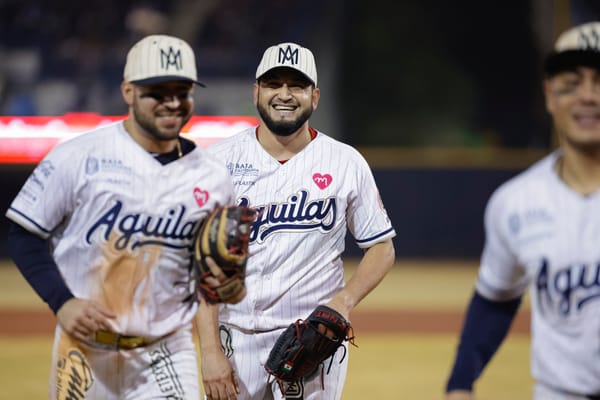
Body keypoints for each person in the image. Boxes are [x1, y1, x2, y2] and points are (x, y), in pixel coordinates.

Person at [5, 34, 237, 399]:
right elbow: (22, 233)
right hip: (82, 347)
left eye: (182, 91)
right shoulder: (79, 156)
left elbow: (209, 275)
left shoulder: (213, 177)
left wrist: (224, 290)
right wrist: (61, 301)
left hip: (165, 348)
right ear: (128, 91)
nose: (172, 103)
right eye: (157, 92)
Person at [198, 42, 397, 400]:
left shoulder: (345, 162)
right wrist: (209, 350)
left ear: (315, 96)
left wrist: (344, 302)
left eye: (297, 85)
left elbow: (381, 247)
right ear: (256, 91)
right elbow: (204, 265)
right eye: (274, 84)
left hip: (313, 340)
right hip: (233, 338)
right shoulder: (218, 162)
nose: (284, 95)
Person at [446, 21, 600, 400]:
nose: (588, 96)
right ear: (549, 95)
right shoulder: (516, 203)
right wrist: (460, 385)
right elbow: (495, 299)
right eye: (572, 83)